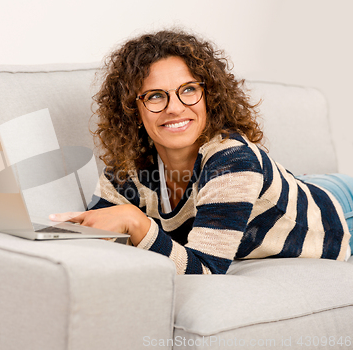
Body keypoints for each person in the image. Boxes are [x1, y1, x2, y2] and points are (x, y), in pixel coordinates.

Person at [49, 29, 352, 275]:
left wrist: (135, 221)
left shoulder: (232, 162)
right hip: (291, 187)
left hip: (338, 210)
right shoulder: (130, 172)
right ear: (133, 110)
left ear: (210, 95)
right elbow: (95, 234)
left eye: (189, 89)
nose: (175, 108)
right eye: (155, 96)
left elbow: (205, 270)